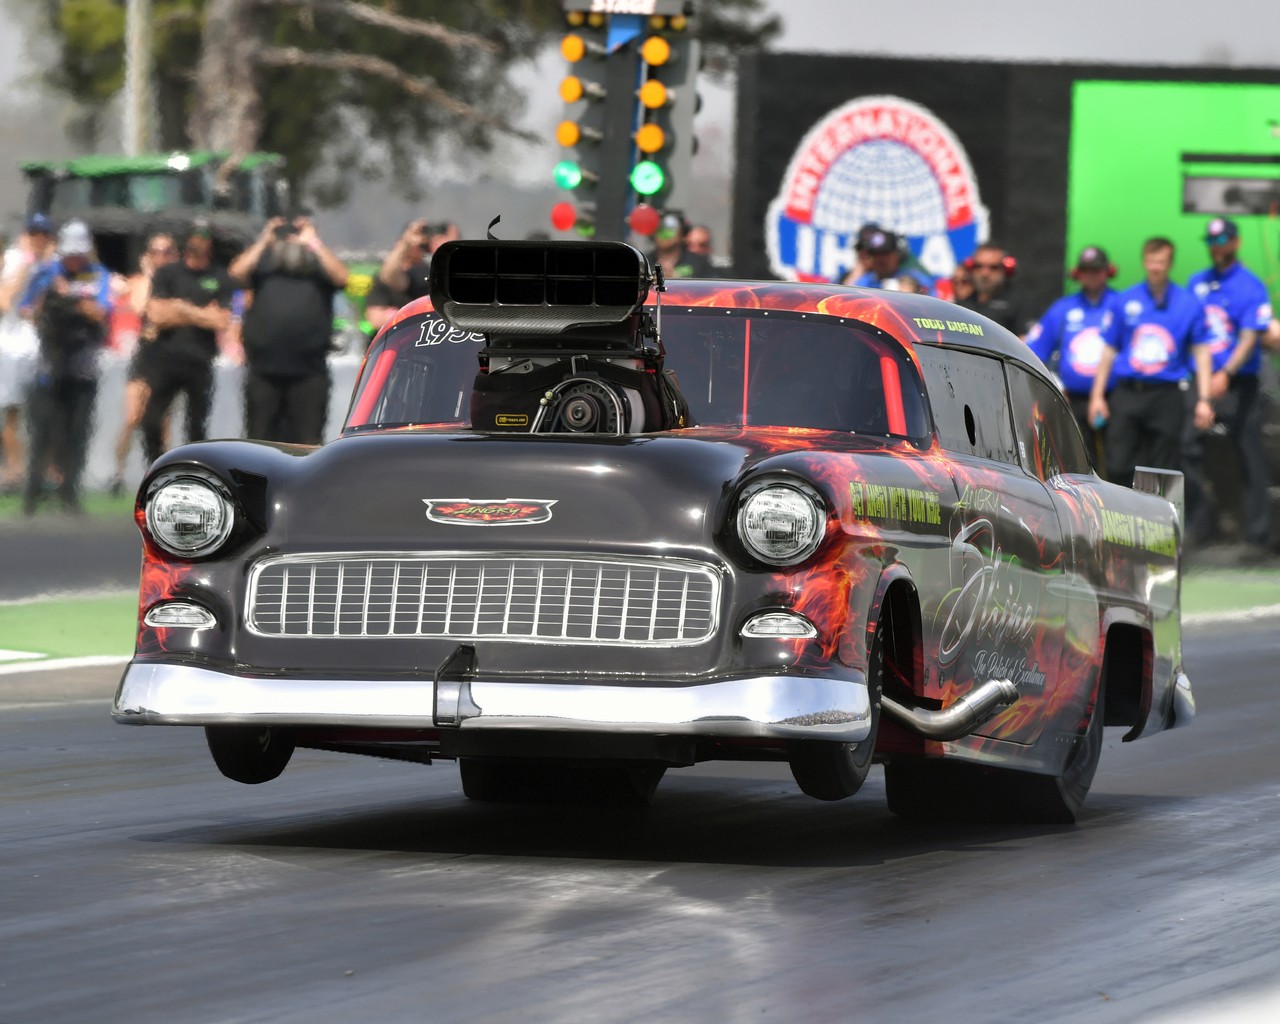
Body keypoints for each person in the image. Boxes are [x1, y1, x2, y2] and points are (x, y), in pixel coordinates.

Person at [1087, 237, 1214, 488]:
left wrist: (1204, 399)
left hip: (1166, 394)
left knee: (1162, 470)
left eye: (1161, 262)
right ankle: (1118, 512)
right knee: (1118, 464)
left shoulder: (1188, 304)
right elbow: (1109, 350)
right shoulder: (1125, 300)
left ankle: (1160, 514)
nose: (1155, 267)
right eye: (1151, 261)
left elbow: (1202, 352)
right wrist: (1097, 396)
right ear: (1144, 262)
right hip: (1128, 391)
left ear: (1170, 264)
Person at [1181, 216, 1274, 554]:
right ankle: (1199, 526)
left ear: (1235, 243)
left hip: (1239, 383)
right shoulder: (1198, 282)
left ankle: (1258, 536)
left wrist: (1228, 373)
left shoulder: (1250, 285)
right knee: (1186, 447)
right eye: (1212, 242)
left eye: (1222, 241)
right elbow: (1191, 331)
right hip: (1202, 379)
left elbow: (1250, 336)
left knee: (1249, 454)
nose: (1216, 247)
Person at [18, 219, 111, 514]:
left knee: (77, 431)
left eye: (78, 255)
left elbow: (101, 312)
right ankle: (32, 494)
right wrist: (45, 304)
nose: (74, 260)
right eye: (69, 255)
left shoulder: (97, 274)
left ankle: (69, 494)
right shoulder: (47, 271)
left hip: (83, 363)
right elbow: (26, 308)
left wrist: (70, 297)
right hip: (51, 362)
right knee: (43, 431)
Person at [231, 214, 348, 444]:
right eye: (287, 236)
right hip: (263, 371)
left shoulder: (319, 269)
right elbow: (236, 272)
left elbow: (342, 277)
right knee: (259, 441)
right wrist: (264, 240)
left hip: (308, 372)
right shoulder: (263, 267)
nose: (292, 241)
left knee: (307, 442)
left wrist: (314, 242)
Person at [140, 219, 234, 465]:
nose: (199, 242)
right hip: (166, 358)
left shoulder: (219, 276)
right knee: (151, 420)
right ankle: (157, 466)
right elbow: (156, 315)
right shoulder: (168, 273)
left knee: (196, 427)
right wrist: (202, 313)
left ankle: (194, 473)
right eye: (195, 237)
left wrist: (181, 308)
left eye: (204, 237)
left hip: (200, 359)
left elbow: (221, 320)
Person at [1026, 245, 1125, 457]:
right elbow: (1034, 350)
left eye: (1096, 270)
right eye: (1086, 270)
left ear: (1107, 271)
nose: (1091, 275)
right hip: (1073, 400)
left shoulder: (1121, 304)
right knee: (1078, 459)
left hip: (1116, 399)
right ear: (1077, 273)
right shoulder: (1064, 308)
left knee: (1116, 461)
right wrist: (1057, 385)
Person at [111, 232, 178, 493]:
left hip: (168, 354)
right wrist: (151, 275)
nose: (161, 257)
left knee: (162, 421)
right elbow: (140, 307)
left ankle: (160, 474)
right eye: (155, 252)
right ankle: (117, 473)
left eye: (166, 252)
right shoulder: (141, 281)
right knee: (132, 416)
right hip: (145, 354)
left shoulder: (178, 282)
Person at [0, 214, 55, 493]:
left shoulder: (52, 263)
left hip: (35, 344)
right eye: (34, 233)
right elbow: (6, 300)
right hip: (11, 345)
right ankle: (16, 471)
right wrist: (27, 263)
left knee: (41, 409)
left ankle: (43, 470)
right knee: (10, 409)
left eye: (43, 234)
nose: (38, 239)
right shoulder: (15, 259)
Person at [957, 242, 1033, 338]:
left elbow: (1027, 341)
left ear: (1006, 270)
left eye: (993, 268)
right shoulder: (964, 300)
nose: (984, 273)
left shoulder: (1019, 303)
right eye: (978, 266)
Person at [842, 223, 934, 293]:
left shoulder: (916, 279)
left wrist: (915, 294)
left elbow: (933, 302)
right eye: (875, 254)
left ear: (897, 254)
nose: (880, 259)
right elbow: (846, 299)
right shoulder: (865, 281)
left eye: (885, 253)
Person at [651, 211, 712, 279]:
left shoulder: (699, 262)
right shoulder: (644, 262)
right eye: (660, 229)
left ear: (682, 233)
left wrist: (677, 280)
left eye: (670, 228)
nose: (664, 234)